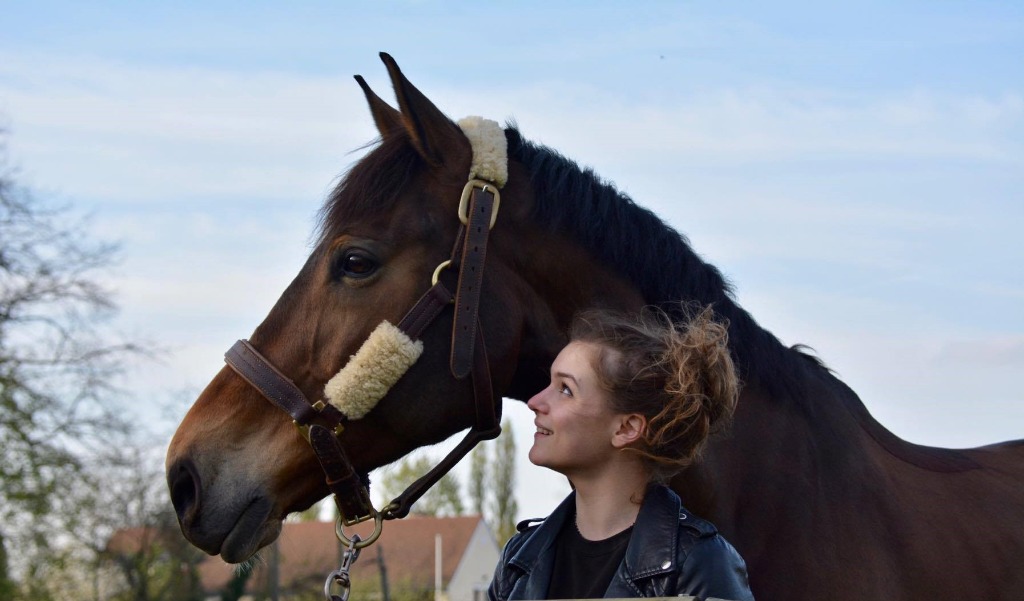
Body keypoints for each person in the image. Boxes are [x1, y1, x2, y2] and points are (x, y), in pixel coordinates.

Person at [488, 305, 754, 601]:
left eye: (565, 389)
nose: (535, 401)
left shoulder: (698, 563)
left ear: (626, 428)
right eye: (549, 383)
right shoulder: (519, 560)